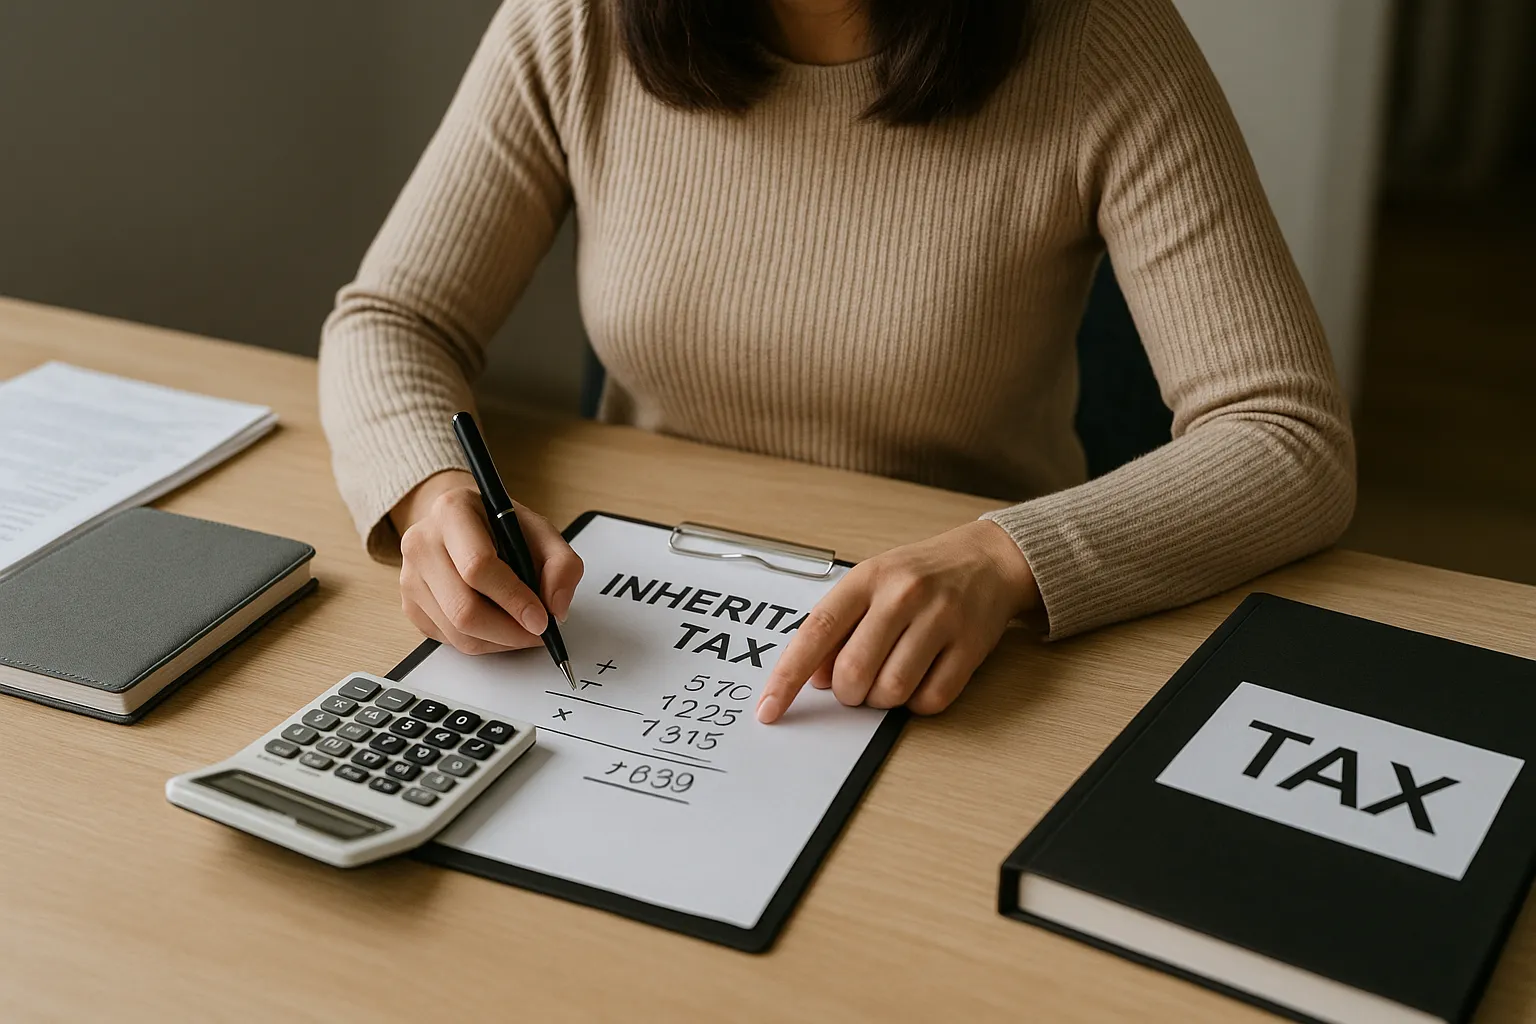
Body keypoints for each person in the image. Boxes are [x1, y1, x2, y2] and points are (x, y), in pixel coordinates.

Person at [318, 0, 1355, 725]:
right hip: (631, 627)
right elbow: (395, 317)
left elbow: (1286, 438)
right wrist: (432, 494)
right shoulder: (578, 20)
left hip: (957, 670)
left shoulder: (1099, 35)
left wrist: (1005, 562)